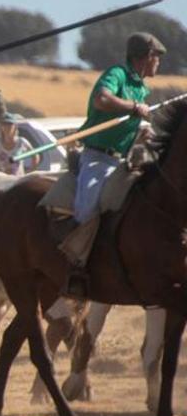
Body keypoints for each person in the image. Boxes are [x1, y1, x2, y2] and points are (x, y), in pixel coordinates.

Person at [63, 32, 163, 297]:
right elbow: (102, 100)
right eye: (157, 57)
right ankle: (75, 268)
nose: (159, 63)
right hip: (97, 157)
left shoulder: (142, 88)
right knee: (87, 208)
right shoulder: (117, 74)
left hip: (121, 159)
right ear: (145, 57)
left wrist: (140, 131)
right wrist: (132, 107)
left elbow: (130, 121)